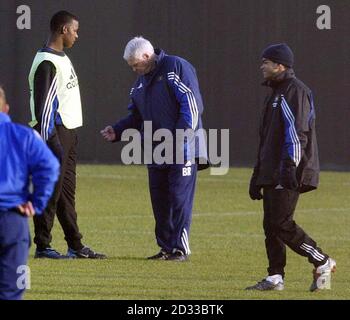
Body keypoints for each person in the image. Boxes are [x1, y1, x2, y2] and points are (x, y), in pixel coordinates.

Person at [101, 36, 209, 261]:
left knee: (179, 199)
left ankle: (181, 248)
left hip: (183, 148)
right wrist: (118, 130)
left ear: (147, 56)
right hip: (157, 150)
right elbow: (136, 116)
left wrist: (180, 137)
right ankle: (166, 248)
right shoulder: (140, 84)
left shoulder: (175, 67)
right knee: (160, 201)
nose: (133, 69)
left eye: (135, 64)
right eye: (130, 65)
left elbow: (192, 104)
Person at [246, 43, 336, 292]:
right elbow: (266, 139)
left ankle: (322, 260)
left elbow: (298, 134)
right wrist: (257, 175)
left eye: (266, 62)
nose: (261, 66)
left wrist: (289, 167)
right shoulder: (275, 94)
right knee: (270, 225)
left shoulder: (295, 91)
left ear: (280, 65)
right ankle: (275, 277)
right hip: (272, 169)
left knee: (281, 223)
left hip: (288, 169)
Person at [28, 11, 105, 259]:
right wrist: (51, 144)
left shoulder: (61, 58)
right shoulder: (47, 62)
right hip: (54, 135)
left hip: (67, 133)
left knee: (66, 193)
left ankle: (75, 244)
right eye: (74, 30)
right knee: (51, 189)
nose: (77, 35)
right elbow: (44, 109)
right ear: (63, 30)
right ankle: (43, 246)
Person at [0, 86, 60, 300]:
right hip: (12, 221)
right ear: (6, 109)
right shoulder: (24, 136)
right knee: (12, 291)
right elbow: (50, 167)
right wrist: (36, 202)